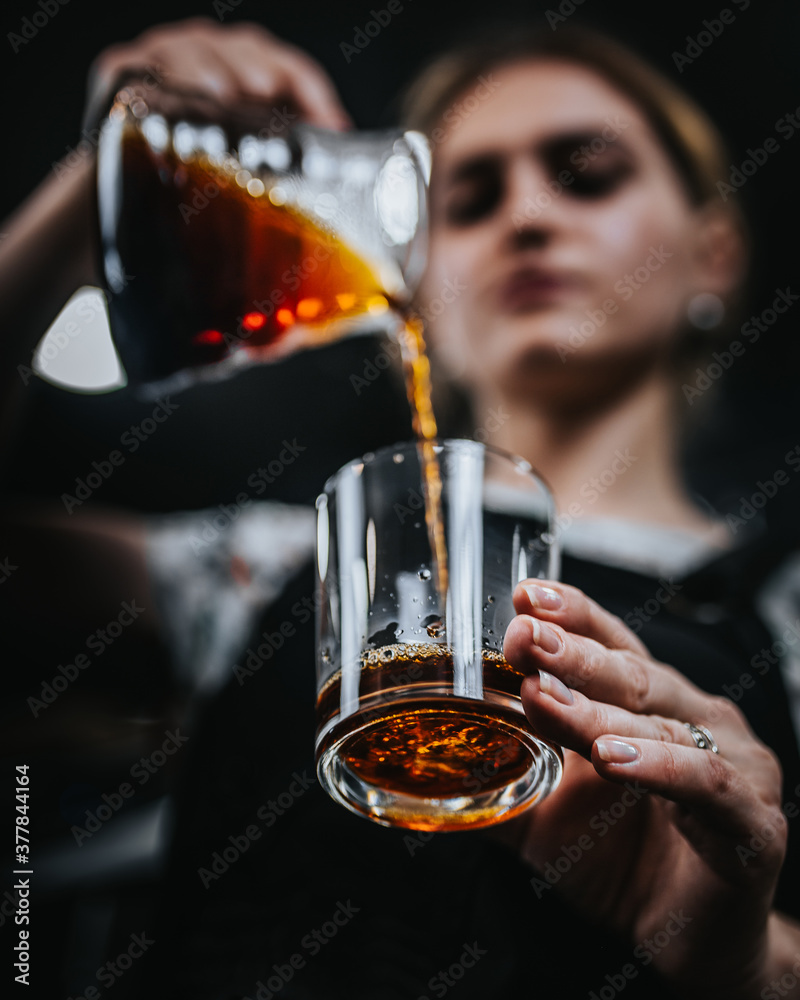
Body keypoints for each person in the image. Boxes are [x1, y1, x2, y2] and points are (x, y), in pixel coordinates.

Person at [2, 16, 800, 1000]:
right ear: (412, 287)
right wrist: (93, 190)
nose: (526, 218)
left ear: (711, 255)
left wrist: (741, 957)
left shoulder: (785, 604)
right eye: (468, 199)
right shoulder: (273, 558)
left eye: (584, 174)